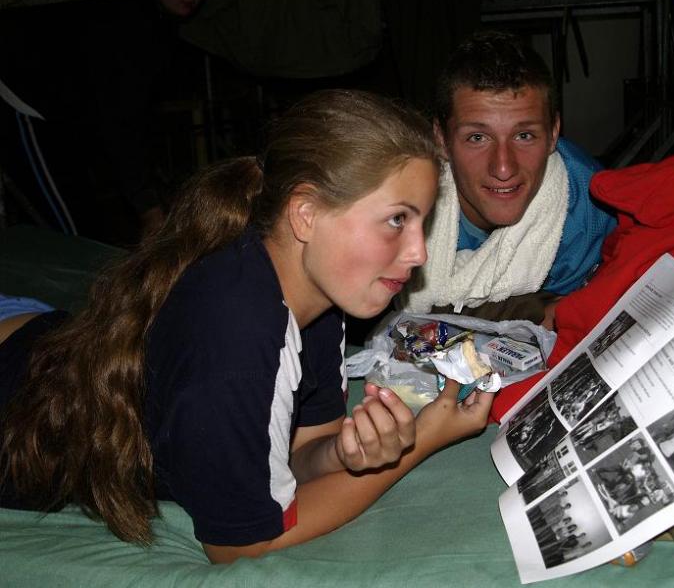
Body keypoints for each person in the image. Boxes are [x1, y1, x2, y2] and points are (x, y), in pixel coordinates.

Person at [0, 90, 494, 564]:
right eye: (397, 220)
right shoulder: (238, 334)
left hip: (36, 333)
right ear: (305, 214)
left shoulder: (318, 294)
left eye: (422, 223)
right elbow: (241, 547)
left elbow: (300, 453)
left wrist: (350, 451)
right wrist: (420, 443)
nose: (419, 253)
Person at [401, 31, 616, 326]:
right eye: (477, 138)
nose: (503, 168)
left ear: (553, 133)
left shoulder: (593, 210)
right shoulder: (399, 202)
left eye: (524, 135)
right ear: (441, 139)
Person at [0, 0, 205, 244]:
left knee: (84, 226)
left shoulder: (159, 26)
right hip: (25, 99)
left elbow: (130, 118)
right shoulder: (125, 18)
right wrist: (148, 208)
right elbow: (121, 119)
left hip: (67, 119)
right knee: (70, 237)